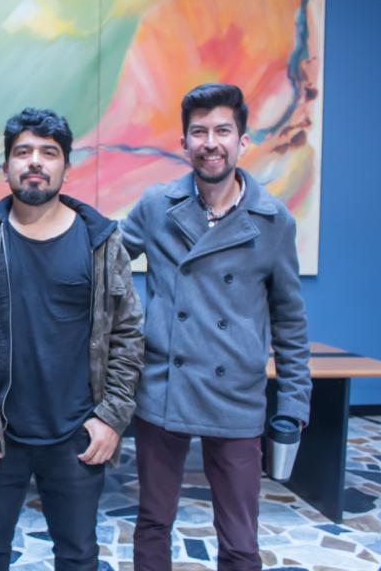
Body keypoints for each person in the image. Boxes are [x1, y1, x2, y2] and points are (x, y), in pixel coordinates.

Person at [0, 108, 145, 570]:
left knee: (78, 556)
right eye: (23, 151)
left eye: (49, 153)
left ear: (66, 166)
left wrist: (111, 418)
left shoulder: (100, 242)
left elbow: (127, 334)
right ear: (6, 165)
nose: (34, 162)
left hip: (77, 434)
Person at [122, 83, 312, 570]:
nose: (211, 143)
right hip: (164, 389)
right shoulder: (156, 206)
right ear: (183, 143)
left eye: (222, 131)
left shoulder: (273, 221)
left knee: (240, 540)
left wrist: (293, 404)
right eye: (199, 132)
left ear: (242, 141)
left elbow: (290, 321)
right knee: (152, 523)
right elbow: (103, 261)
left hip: (237, 398)